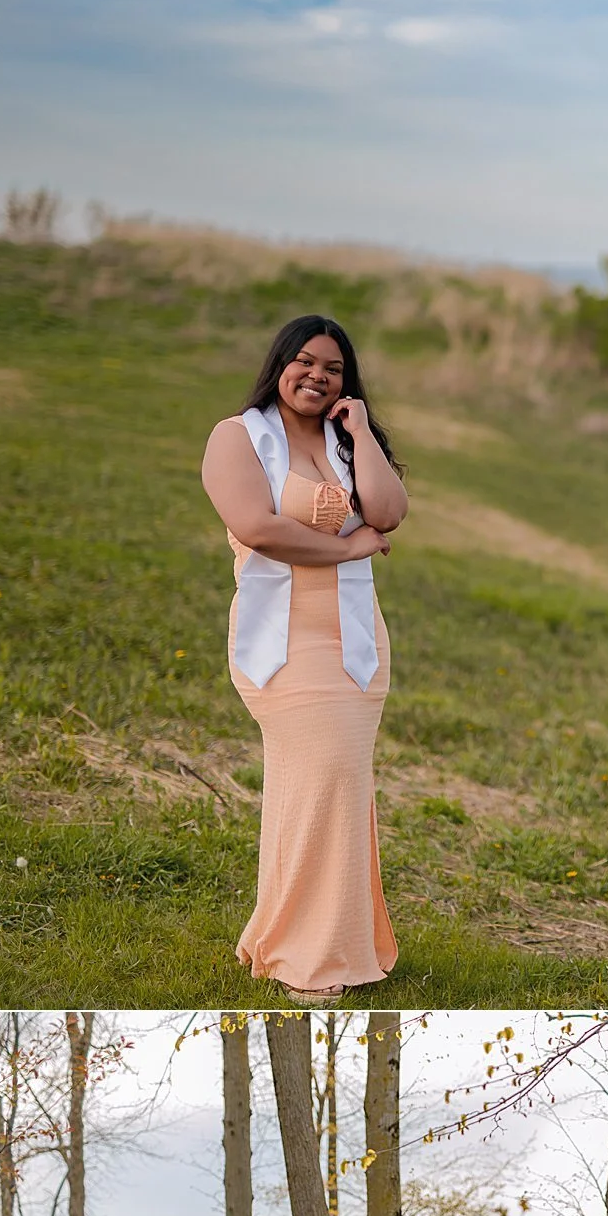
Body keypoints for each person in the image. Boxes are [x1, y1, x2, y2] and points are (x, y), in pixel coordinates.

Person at [201, 317, 408, 1002]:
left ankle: (290, 938)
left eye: (334, 368)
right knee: (323, 780)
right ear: (280, 364)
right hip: (283, 643)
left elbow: (388, 511)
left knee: (327, 788)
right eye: (306, 361)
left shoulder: (344, 439)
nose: (317, 375)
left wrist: (362, 431)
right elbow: (257, 527)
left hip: (356, 644)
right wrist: (347, 547)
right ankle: (310, 961)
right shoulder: (237, 437)